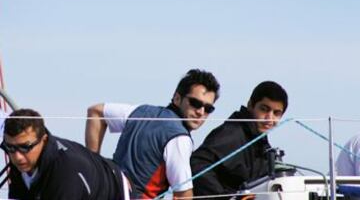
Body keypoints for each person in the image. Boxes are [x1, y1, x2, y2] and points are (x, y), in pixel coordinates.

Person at [85, 69, 220, 199]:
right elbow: (183, 196)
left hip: (106, 192)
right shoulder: (180, 138)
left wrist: (94, 165)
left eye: (208, 108)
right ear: (177, 98)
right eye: (195, 103)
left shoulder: (139, 111)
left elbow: (96, 112)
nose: (201, 112)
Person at [190, 81, 288, 199]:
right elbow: (197, 163)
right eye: (264, 109)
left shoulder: (259, 140)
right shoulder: (232, 132)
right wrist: (226, 198)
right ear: (250, 105)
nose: (270, 118)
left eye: (276, 113)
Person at [2, 108, 127, 200]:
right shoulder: (23, 159)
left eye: (25, 147)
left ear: (44, 140)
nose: (17, 156)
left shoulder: (65, 172)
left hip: (117, 193)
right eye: (10, 148)